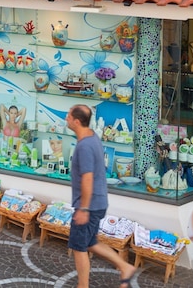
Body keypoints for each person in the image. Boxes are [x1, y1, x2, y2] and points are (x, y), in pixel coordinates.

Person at [67, 104, 135, 288]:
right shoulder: (92, 137)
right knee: (91, 242)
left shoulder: (84, 146)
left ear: (76, 121)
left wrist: (83, 208)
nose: (66, 118)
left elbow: (88, 179)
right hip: (97, 202)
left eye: (68, 115)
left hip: (89, 205)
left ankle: (83, 286)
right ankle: (124, 267)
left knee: (79, 247)